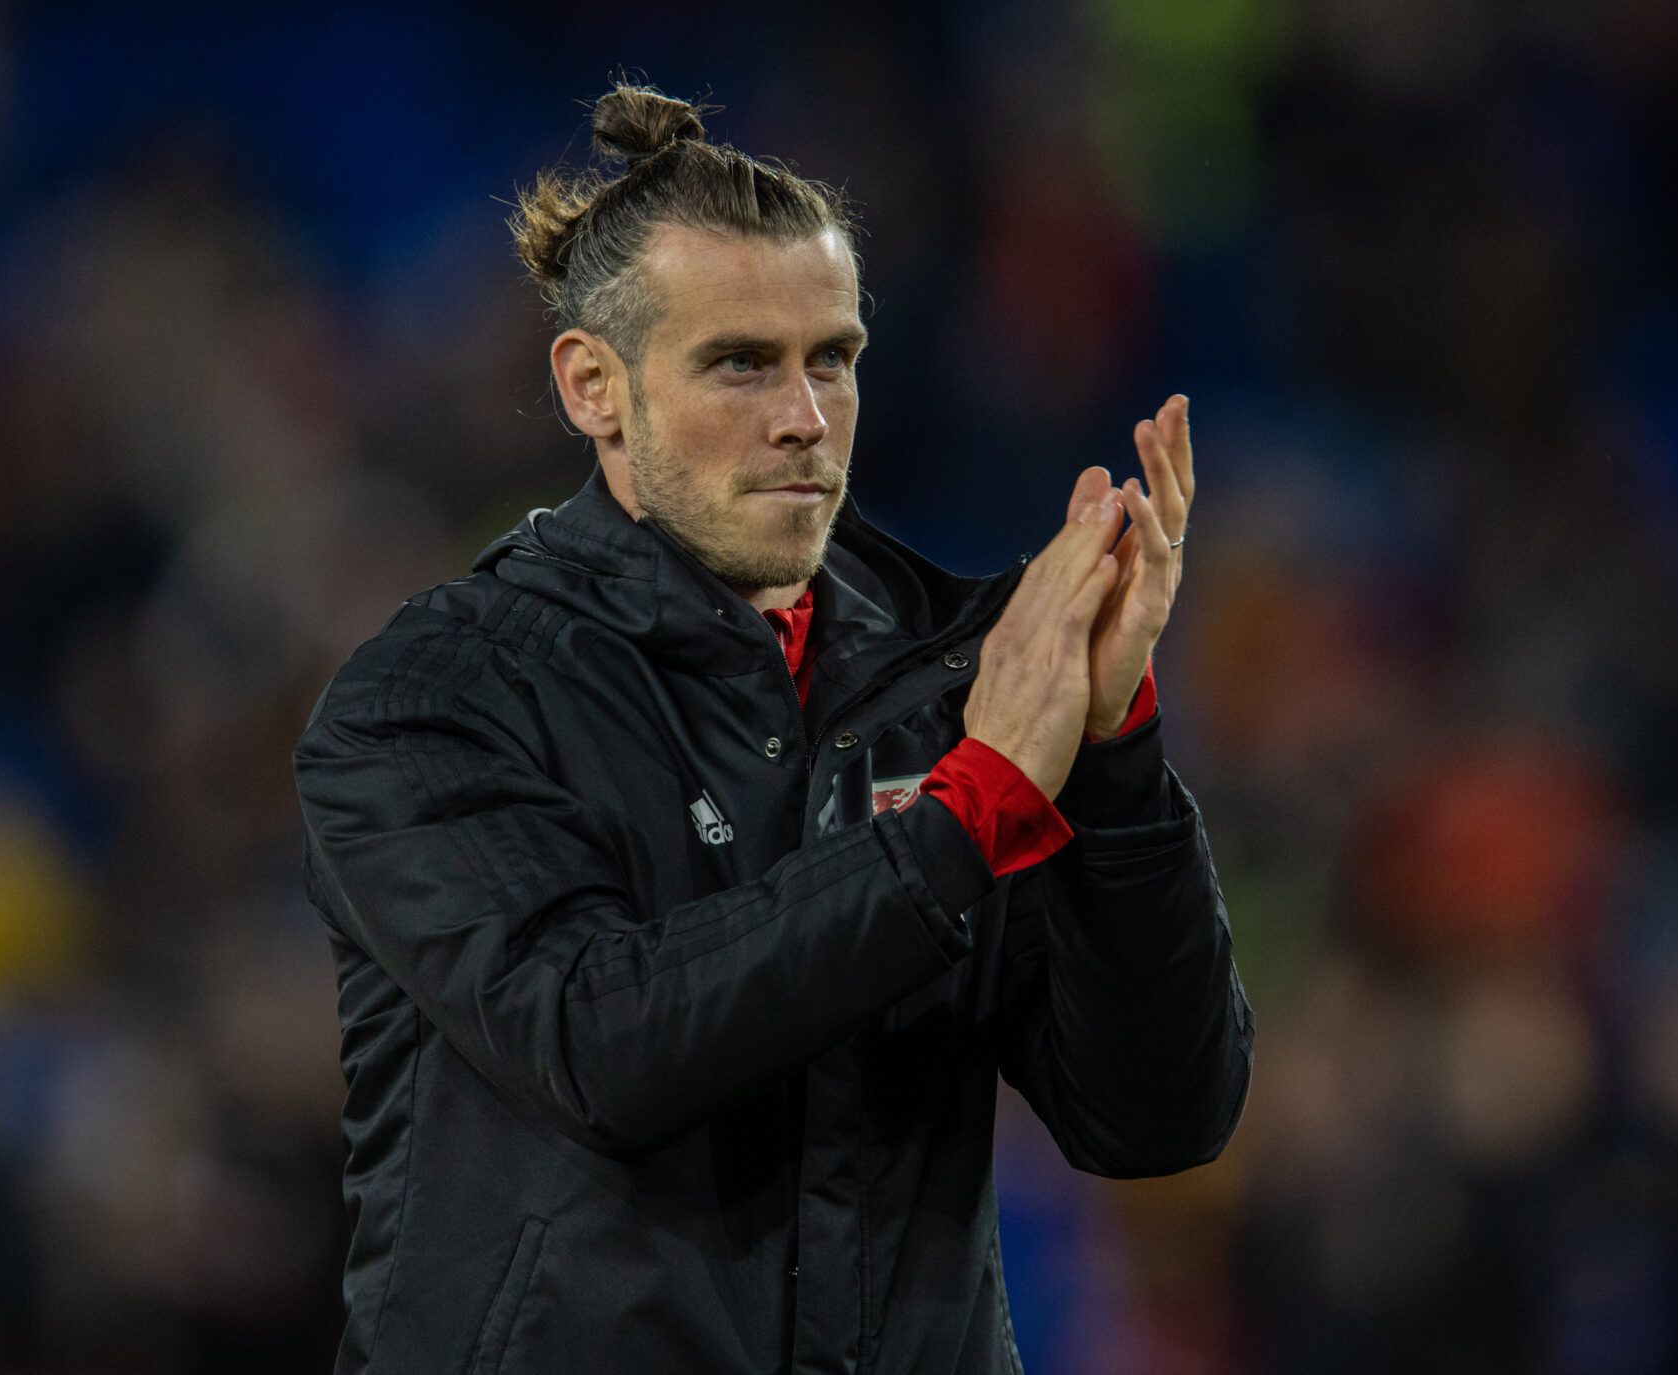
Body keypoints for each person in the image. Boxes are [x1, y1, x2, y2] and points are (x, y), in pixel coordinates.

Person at [293, 83, 1253, 1375]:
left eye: (833, 360)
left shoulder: (949, 683)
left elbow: (1153, 1120)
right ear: (593, 386)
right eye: (740, 362)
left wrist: (1113, 750)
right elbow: (598, 1044)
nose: (804, 417)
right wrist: (964, 816)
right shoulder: (436, 697)